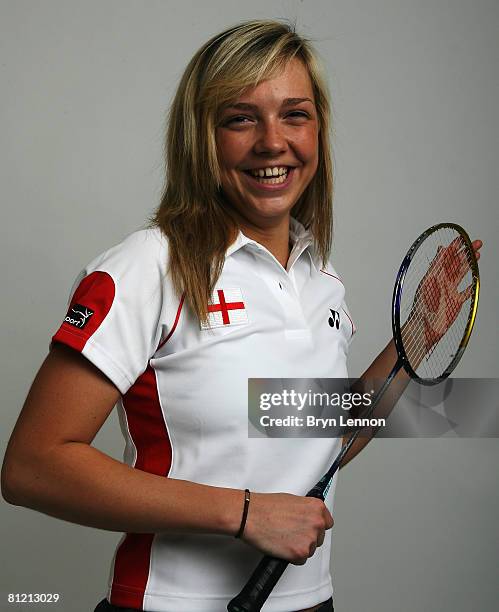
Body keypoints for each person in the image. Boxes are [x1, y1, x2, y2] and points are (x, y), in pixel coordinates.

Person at [0, 19, 482, 612]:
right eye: (240, 117)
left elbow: (317, 438)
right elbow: (31, 465)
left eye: (295, 114)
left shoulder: (320, 278)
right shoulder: (147, 267)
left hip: (311, 603)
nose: (272, 141)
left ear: (319, 131)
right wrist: (245, 513)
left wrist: (414, 342)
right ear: (202, 137)